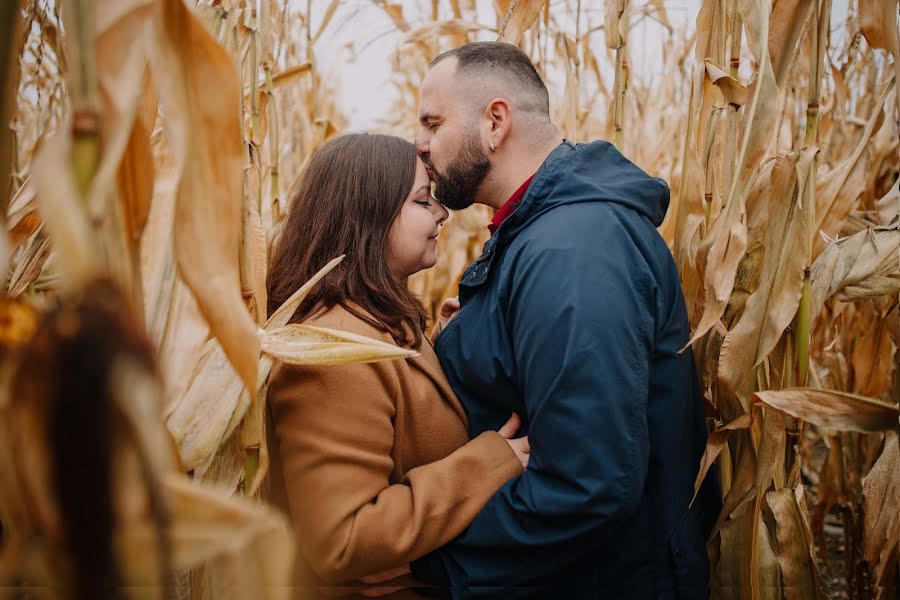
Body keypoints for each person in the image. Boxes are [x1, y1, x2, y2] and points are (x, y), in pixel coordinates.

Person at [401, 41, 720, 598]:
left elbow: (588, 484)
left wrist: (436, 562)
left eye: (432, 122)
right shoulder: (541, 231)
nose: (420, 143)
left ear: (495, 121)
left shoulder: (573, 248)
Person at [264, 133, 529, 598]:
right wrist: (490, 463)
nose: (442, 213)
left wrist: (441, 347)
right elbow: (342, 540)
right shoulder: (333, 353)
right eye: (423, 201)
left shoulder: (377, 324)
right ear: (369, 216)